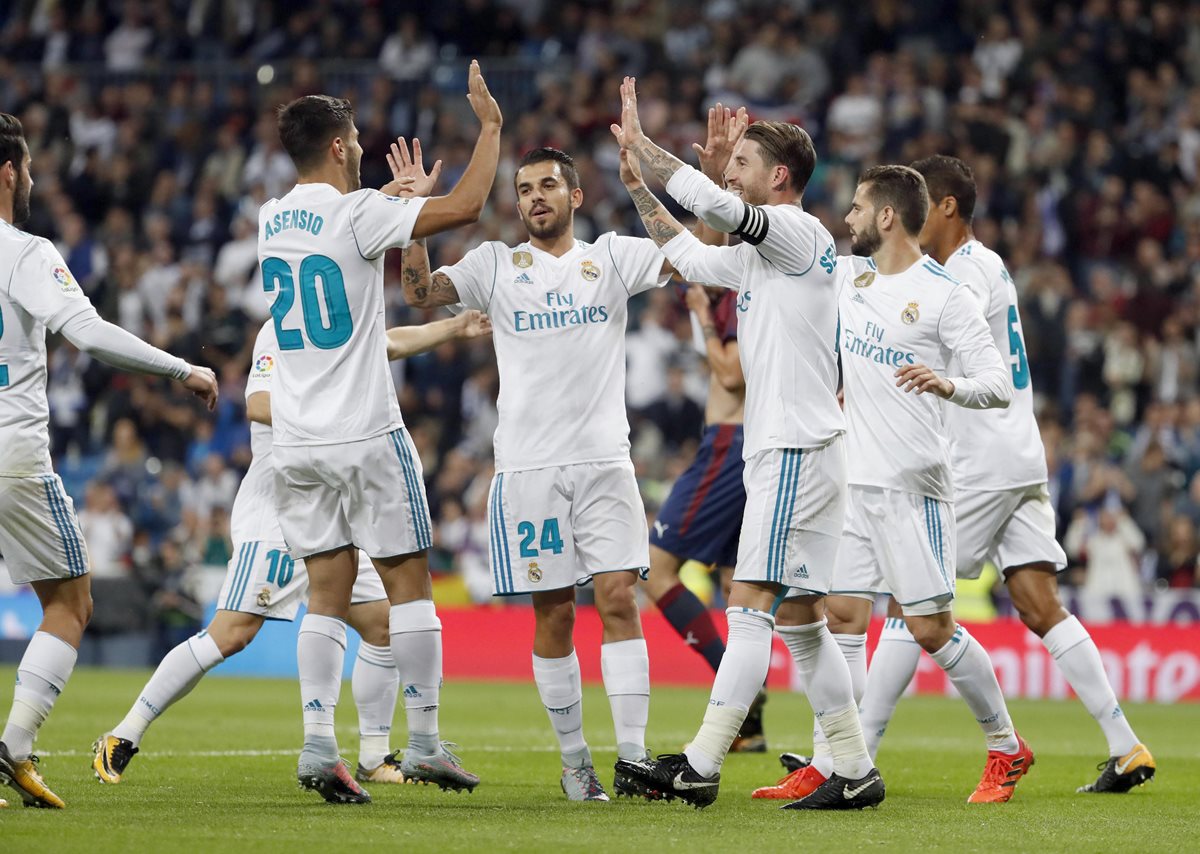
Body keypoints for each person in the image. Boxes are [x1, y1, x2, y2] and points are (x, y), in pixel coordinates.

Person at [608, 78, 881, 811]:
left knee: (751, 601)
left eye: (744, 163)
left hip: (793, 449)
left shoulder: (798, 233)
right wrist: (640, 187)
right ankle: (853, 768)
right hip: (797, 449)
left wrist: (646, 145)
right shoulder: (767, 259)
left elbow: (720, 207)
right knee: (797, 619)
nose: (733, 172)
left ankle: (699, 764)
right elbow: (691, 260)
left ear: (779, 177)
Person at [848, 153, 1152, 795]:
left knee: (910, 602)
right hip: (1020, 455)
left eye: (923, 203)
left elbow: (952, 338)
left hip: (978, 461)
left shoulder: (961, 274)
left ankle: (856, 756)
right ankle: (1126, 746)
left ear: (946, 208)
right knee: (1041, 604)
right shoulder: (989, 263)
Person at [92, 311, 491, 788]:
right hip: (281, 498)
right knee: (232, 632)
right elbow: (258, 403)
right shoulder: (281, 325)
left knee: (384, 624)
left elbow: (387, 342)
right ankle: (123, 735)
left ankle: (374, 755)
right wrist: (334, 422)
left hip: (330, 495)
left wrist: (454, 327)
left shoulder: (340, 319)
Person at [401, 138, 676, 801]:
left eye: (547, 186)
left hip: (607, 462)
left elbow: (681, 255)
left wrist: (641, 187)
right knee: (554, 616)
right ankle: (576, 762)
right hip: (529, 468)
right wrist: (412, 221)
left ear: (575, 196)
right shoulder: (496, 263)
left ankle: (633, 759)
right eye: (524, 189)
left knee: (617, 599)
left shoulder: (609, 256)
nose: (534, 198)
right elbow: (420, 295)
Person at [260, 60, 501, 804]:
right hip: (363, 429)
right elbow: (465, 206)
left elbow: (349, 234)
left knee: (326, 594)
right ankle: (424, 742)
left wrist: (390, 201)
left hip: (297, 439)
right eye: (356, 137)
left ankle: (316, 746)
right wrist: (490, 128)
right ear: (337, 147)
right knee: (408, 585)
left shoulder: (272, 217)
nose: (362, 145)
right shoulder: (357, 211)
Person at [0, 112, 218, 809]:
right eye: (28, 167)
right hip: (12, 452)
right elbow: (88, 335)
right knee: (70, 601)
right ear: (8, 172)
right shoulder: (26, 253)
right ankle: (16, 747)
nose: (32, 178)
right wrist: (180, 368)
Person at [808, 165, 1029, 805]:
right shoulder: (851, 279)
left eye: (855, 208)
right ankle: (842, 764)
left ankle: (1006, 747)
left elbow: (998, 384)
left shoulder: (945, 294)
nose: (846, 218)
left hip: (914, 488)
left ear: (885, 216)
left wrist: (947, 383)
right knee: (840, 615)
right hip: (854, 483)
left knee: (932, 630)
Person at [641, 106, 764, 753]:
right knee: (738, 589)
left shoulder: (749, 283)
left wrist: (703, 320)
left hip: (732, 442)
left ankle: (740, 698)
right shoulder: (736, 265)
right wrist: (714, 171)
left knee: (658, 571)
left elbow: (733, 372)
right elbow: (703, 245)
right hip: (745, 444)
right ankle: (752, 724)